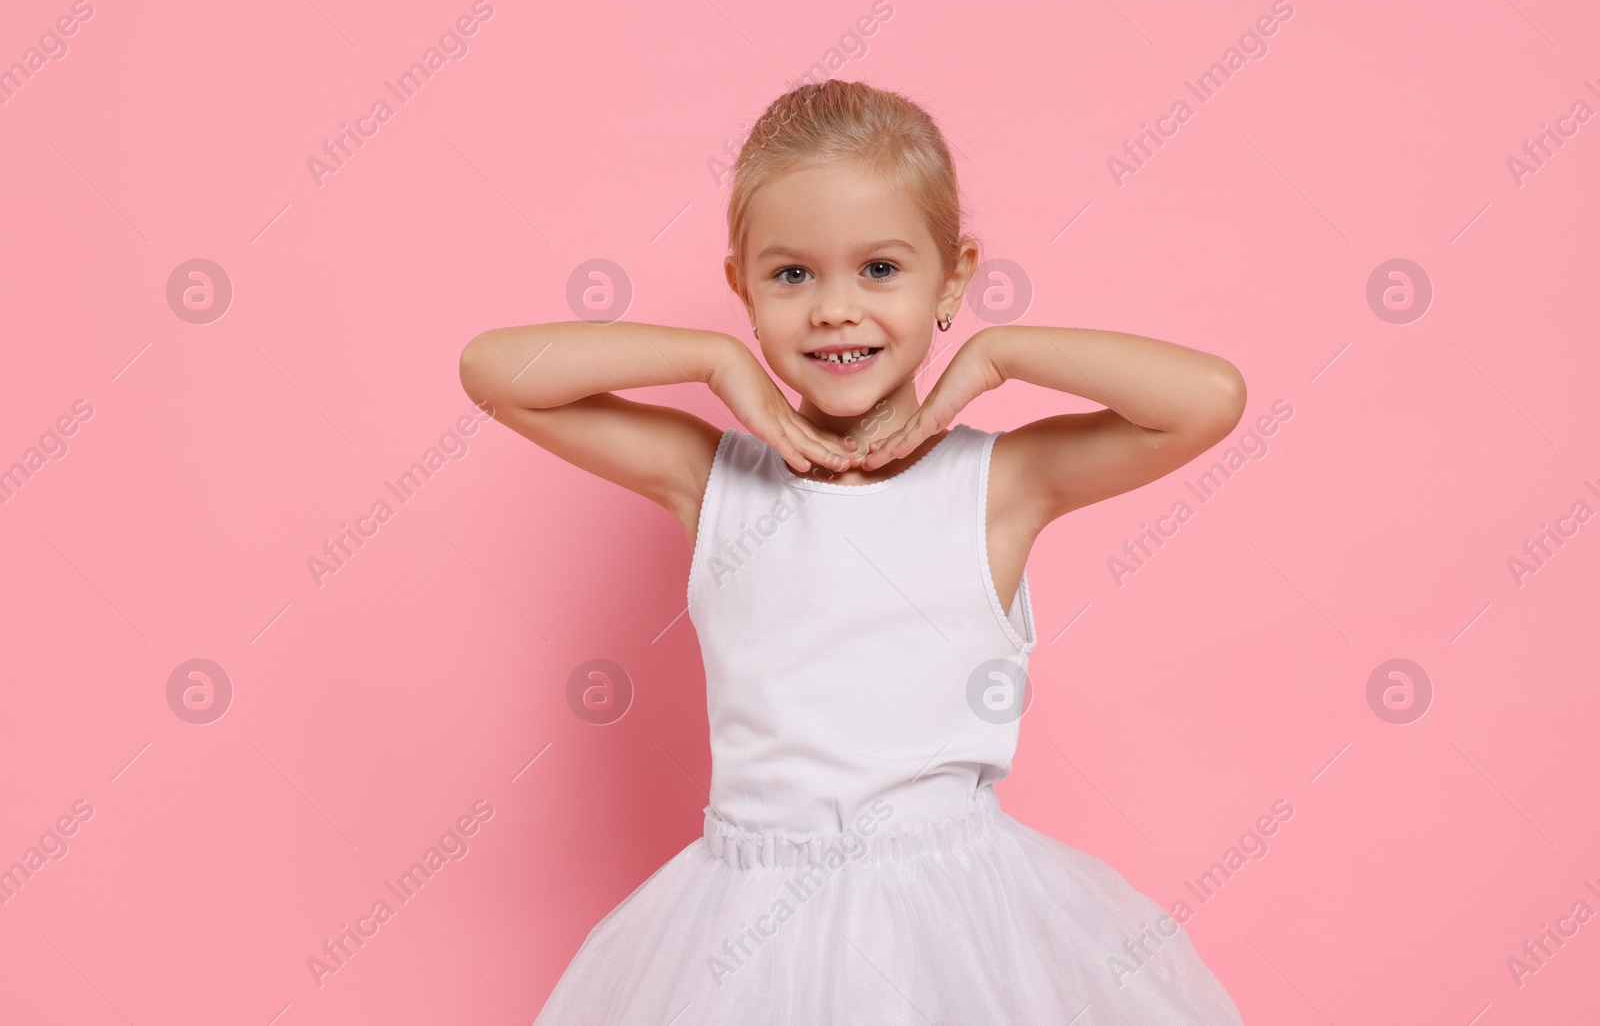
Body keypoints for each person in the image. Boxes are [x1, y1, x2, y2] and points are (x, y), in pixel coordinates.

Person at [459, 78, 1248, 1024]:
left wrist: (1000, 357)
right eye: (792, 275)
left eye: (880, 268)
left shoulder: (997, 488)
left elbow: (1209, 397)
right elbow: (495, 372)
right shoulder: (713, 480)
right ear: (742, 287)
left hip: (957, 925)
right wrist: (713, 362)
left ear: (952, 277)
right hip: (743, 929)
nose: (837, 309)